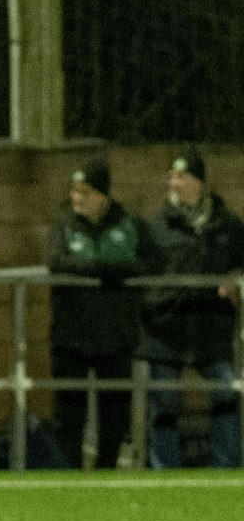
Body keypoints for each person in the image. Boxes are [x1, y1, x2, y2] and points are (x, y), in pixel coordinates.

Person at [47, 158, 162, 470]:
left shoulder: (129, 224)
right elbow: (57, 262)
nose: (77, 198)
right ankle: (69, 480)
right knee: (69, 418)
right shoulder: (64, 224)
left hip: (116, 337)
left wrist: (117, 272)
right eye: (74, 191)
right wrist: (106, 270)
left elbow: (153, 263)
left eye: (84, 192)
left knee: (114, 418)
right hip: (71, 337)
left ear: (102, 194)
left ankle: (106, 476)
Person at [138, 150, 243, 468]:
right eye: (171, 176)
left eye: (182, 176)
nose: (174, 183)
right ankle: (164, 470)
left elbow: (240, 262)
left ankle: (225, 465)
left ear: (199, 182)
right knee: (164, 401)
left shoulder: (227, 224)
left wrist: (236, 278)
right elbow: (142, 274)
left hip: (211, 327)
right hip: (166, 329)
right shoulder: (156, 225)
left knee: (227, 392)